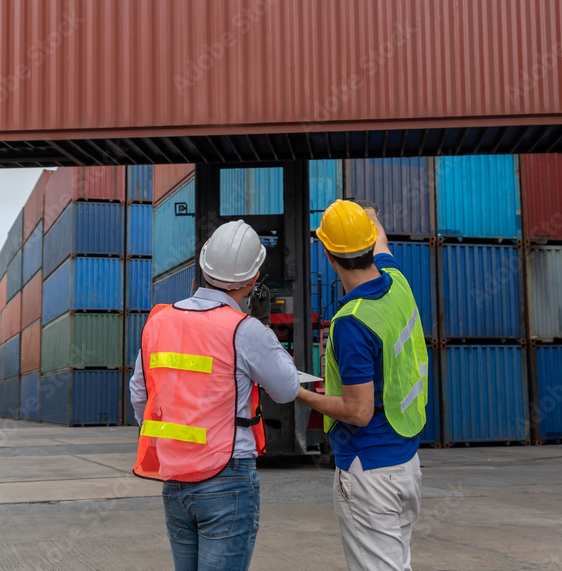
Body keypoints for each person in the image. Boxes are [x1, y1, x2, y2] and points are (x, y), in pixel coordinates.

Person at [131, 219, 300, 571]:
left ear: (202, 267)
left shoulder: (159, 322)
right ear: (254, 279)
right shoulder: (245, 329)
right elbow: (287, 389)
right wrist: (266, 328)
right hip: (227, 477)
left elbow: (140, 395)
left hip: (174, 479)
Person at [296, 200, 429, 571]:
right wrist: (368, 216)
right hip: (406, 464)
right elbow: (382, 242)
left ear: (327, 254)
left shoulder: (352, 322)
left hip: (370, 474)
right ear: (371, 244)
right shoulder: (397, 283)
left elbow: (358, 411)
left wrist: (300, 392)